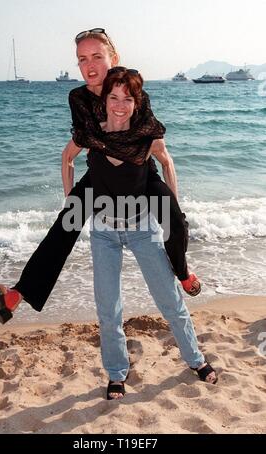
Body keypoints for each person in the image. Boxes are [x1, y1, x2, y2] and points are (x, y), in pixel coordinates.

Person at [0, 28, 200, 325]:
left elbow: (151, 147)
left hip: (141, 174)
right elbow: (81, 145)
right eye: (82, 59)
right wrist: (71, 199)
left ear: (113, 58)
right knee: (65, 224)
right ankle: (17, 294)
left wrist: (172, 201)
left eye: (97, 57)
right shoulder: (78, 98)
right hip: (100, 174)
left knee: (176, 221)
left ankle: (183, 272)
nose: (90, 65)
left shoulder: (136, 95)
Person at [80, 67, 217, 399]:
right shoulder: (91, 135)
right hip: (103, 233)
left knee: (170, 300)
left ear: (136, 101)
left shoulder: (146, 135)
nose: (120, 105)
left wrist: (173, 207)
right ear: (104, 99)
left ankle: (196, 360)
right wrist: (72, 204)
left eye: (127, 98)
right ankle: (116, 374)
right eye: (113, 97)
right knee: (108, 309)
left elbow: (168, 163)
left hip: (143, 229)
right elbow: (67, 159)